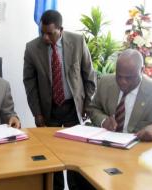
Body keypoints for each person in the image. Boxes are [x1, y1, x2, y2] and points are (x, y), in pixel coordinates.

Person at [23, 10, 96, 190]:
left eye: (50, 33)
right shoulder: (32, 48)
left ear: (61, 29)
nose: (45, 37)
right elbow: (29, 83)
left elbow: (89, 75)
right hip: (49, 109)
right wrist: (37, 113)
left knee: (74, 153)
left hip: (73, 107)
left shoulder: (78, 42)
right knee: (52, 155)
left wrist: (87, 103)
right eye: (42, 32)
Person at [89, 49, 152, 141]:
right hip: (106, 144)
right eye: (119, 76)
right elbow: (93, 108)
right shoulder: (105, 83)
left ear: (142, 70)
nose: (123, 82)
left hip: (138, 148)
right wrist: (103, 121)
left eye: (129, 78)